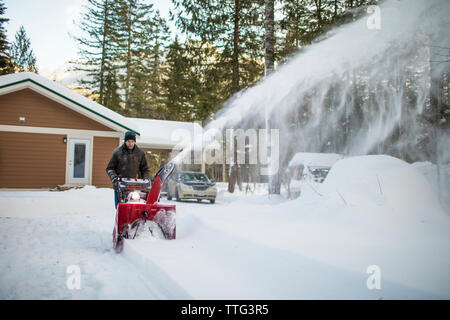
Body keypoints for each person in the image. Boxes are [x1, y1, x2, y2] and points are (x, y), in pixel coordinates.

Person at [106, 131, 150, 208]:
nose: (130, 143)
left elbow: (145, 169)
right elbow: (110, 168)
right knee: (120, 207)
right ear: (125, 141)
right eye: (128, 141)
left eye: (132, 141)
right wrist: (115, 179)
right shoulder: (117, 152)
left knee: (136, 206)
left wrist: (145, 180)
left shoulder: (140, 153)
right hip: (120, 185)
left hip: (136, 186)